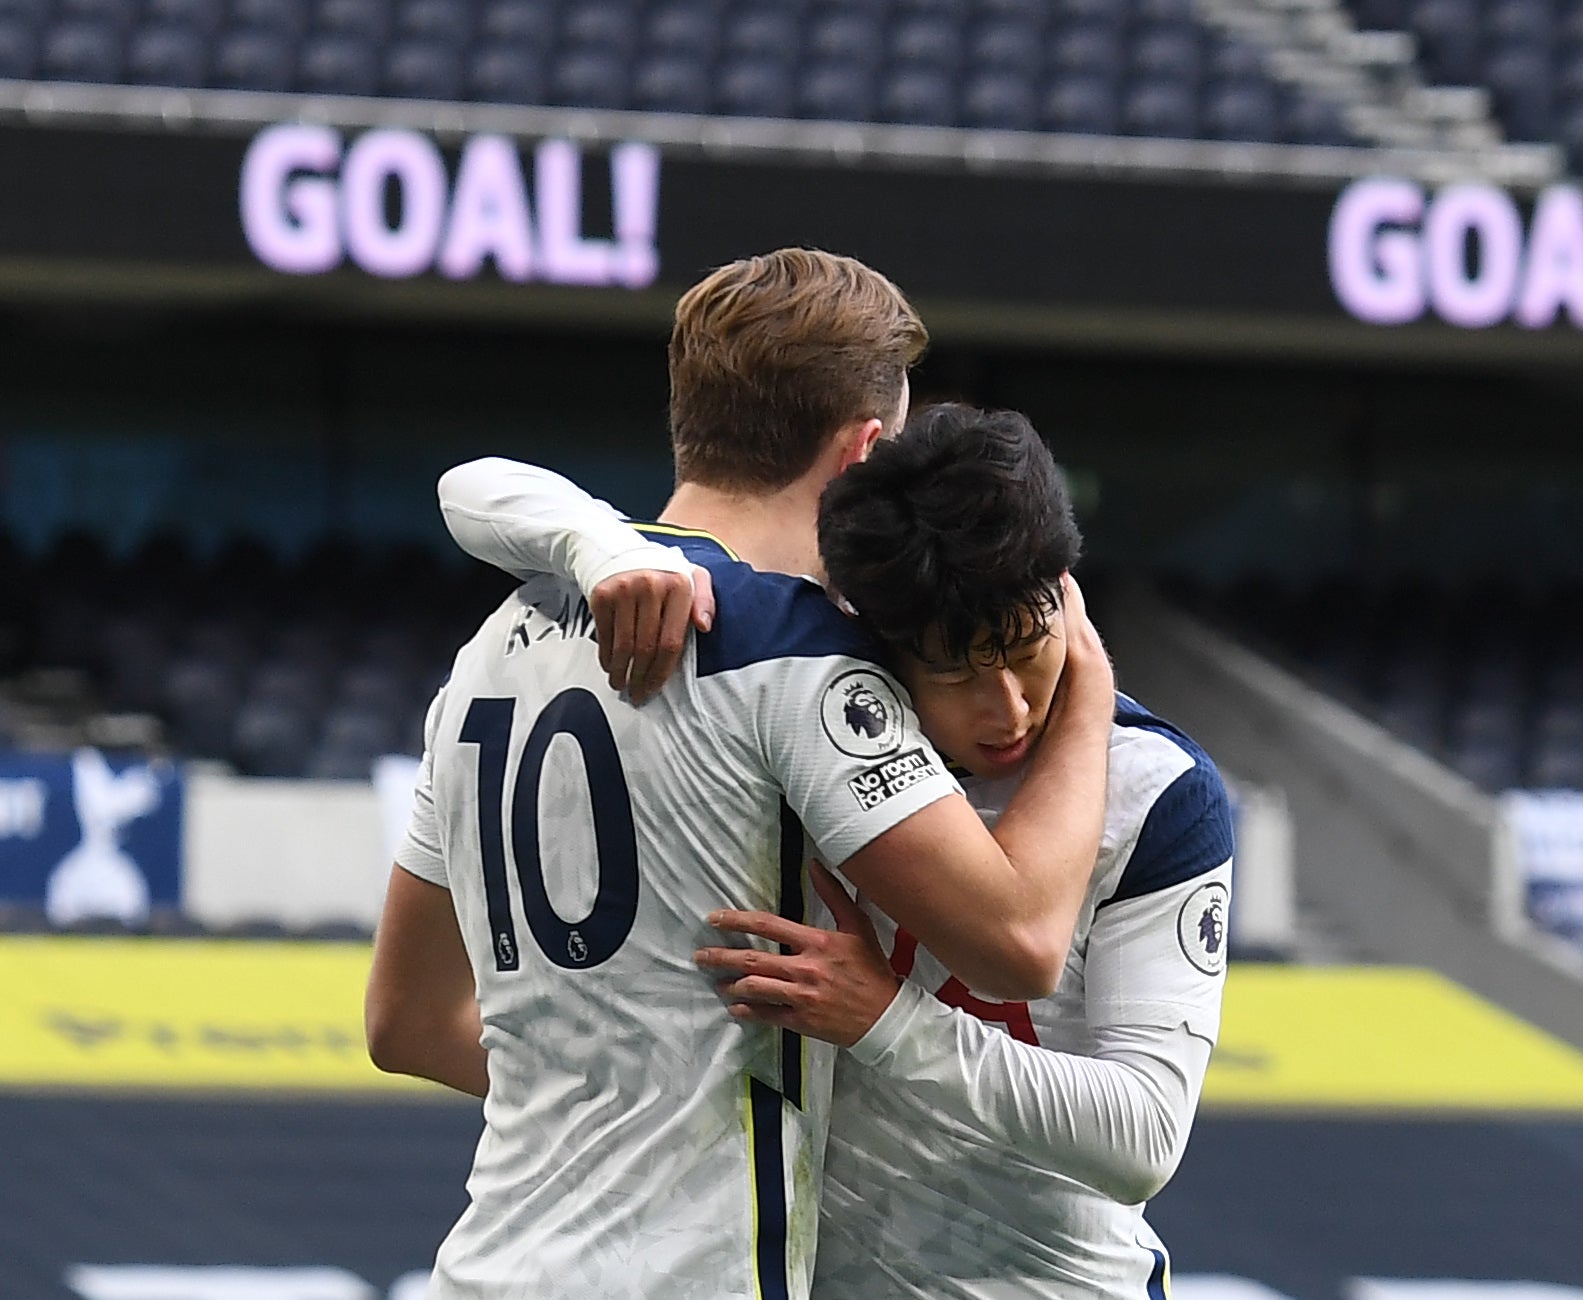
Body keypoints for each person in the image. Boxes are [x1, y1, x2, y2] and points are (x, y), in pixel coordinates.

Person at [365, 249, 1116, 1300]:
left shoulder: (497, 641)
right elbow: (1023, 940)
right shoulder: (793, 652)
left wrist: (612, 1084)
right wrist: (1084, 680)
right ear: (864, 453)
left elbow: (401, 1021)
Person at [496, 404, 1232, 1298]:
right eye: (955, 674)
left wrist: (887, 1020)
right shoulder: (807, 726)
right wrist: (598, 546)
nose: (1005, 710)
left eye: (1025, 651)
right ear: (870, 647)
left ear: (1064, 595)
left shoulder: (1159, 794)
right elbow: (478, 487)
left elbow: (1143, 1138)